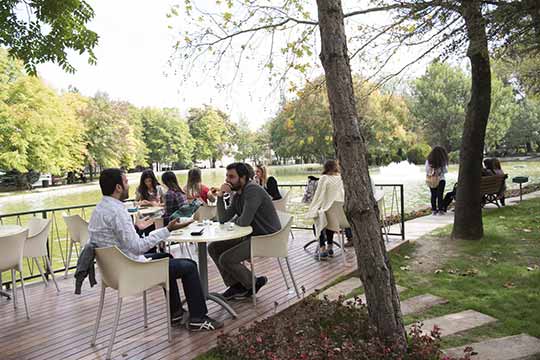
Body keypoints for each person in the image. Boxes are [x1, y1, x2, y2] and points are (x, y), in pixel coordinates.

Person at [88, 168, 222, 331]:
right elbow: (137, 248)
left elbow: (122, 242)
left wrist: (139, 228)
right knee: (189, 266)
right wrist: (167, 230)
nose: (128, 185)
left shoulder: (98, 210)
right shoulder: (117, 212)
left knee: (166, 256)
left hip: (114, 271)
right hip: (130, 271)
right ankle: (198, 318)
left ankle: (176, 313)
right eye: (125, 182)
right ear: (118, 187)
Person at [208, 162, 281, 300]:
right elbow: (222, 218)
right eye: (227, 176)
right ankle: (237, 285)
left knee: (226, 259)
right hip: (251, 236)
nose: (227, 180)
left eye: (231, 177)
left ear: (243, 177)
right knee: (214, 247)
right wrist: (220, 196)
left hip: (266, 237)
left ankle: (253, 283)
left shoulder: (252, 190)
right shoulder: (237, 195)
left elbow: (244, 221)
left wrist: (234, 221)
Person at [306, 160, 351, 258]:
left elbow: (318, 195)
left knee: (319, 217)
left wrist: (313, 208)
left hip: (331, 214)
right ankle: (330, 246)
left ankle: (322, 248)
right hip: (343, 218)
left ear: (325, 168)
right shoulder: (341, 178)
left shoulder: (324, 178)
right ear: (336, 167)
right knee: (328, 216)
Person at [426, 146, 448, 215]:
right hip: (441, 179)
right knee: (440, 195)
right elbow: (445, 171)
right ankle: (440, 210)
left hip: (431, 180)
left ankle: (434, 210)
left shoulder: (428, 161)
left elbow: (426, 170)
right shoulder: (442, 161)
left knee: (433, 195)